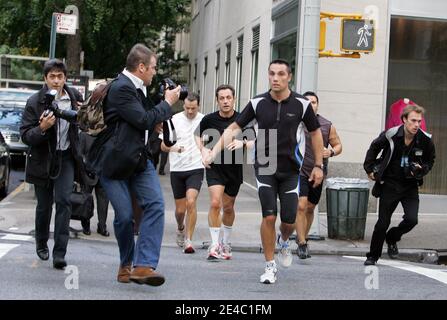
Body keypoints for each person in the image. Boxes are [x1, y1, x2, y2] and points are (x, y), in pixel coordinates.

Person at [204, 60, 324, 284]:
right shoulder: (258, 103)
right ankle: (270, 266)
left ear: (289, 77)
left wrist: (318, 165)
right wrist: (214, 151)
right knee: (269, 215)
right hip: (265, 166)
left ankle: (284, 241)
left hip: (291, 170)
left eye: (280, 74)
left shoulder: (302, 104)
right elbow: (234, 128)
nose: (275, 78)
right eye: (271, 74)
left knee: (288, 220)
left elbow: (315, 133)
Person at [88, 44, 181, 286]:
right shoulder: (121, 88)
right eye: (152, 68)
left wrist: (156, 124)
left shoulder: (138, 89)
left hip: (139, 161)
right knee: (125, 216)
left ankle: (143, 266)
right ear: (141, 67)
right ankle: (126, 263)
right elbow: (141, 119)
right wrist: (168, 102)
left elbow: (141, 122)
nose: (154, 72)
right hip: (115, 164)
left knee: (155, 205)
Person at [20, 59, 86, 269]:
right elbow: (25, 136)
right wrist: (42, 128)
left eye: (60, 76)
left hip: (66, 157)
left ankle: (60, 252)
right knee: (44, 206)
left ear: (65, 78)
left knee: (64, 201)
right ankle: (41, 242)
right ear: (45, 79)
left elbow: (84, 122)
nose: (56, 81)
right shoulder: (34, 102)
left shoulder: (75, 98)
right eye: (52, 77)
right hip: (42, 159)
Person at [363, 104, 435, 265]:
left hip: (410, 186)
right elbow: (374, 148)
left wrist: (422, 169)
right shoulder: (391, 134)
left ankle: (392, 237)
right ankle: (373, 256)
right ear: (404, 120)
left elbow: (430, 160)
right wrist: (370, 168)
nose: (417, 124)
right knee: (382, 223)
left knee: (411, 219)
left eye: (419, 121)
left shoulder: (424, 139)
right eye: (413, 120)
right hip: (390, 184)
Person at [195, 85, 254, 261]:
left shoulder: (241, 119)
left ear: (234, 99)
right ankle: (214, 245)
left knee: (228, 207)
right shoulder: (209, 119)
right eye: (222, 98)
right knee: (215, 203)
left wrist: (242, 144)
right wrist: (203, 150)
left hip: (234, 169)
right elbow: (197, 135)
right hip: (215, 169)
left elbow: (253, 141)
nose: (225, 101)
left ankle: (226, 243)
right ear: (217, 100)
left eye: (228, 97)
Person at [295, 91, 342, 259]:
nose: (311, 104)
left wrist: (331, 152)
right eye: (307, 102)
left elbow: (338, 145)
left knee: (310, 207)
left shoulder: (326, 125)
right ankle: (301, 243)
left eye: (314, 102)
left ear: (317, 105)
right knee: (301, 205)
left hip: (318, 172)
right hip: (298, 171)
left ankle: (303, 236)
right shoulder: (296, 124)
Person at [161, 92, 204, 254]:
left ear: (198, 106)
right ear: (183, 105)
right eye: (187, 108)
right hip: (177, 169)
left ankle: (188, 240)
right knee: (180, 210)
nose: (190, 111)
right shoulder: (174, 120)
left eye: (193, 108)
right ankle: (180, 227)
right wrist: (174, 148)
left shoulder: (204, 120)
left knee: (191, 202)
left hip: (196, 167)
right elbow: (163, 146)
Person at [79, 131, 110, 237]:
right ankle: (86, 225)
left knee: (103, 201)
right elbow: (80, 154)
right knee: (86, 200)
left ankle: (102, 226)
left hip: (103, 172)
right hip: (88, 173)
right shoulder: (84, 135)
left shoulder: (107, 135)